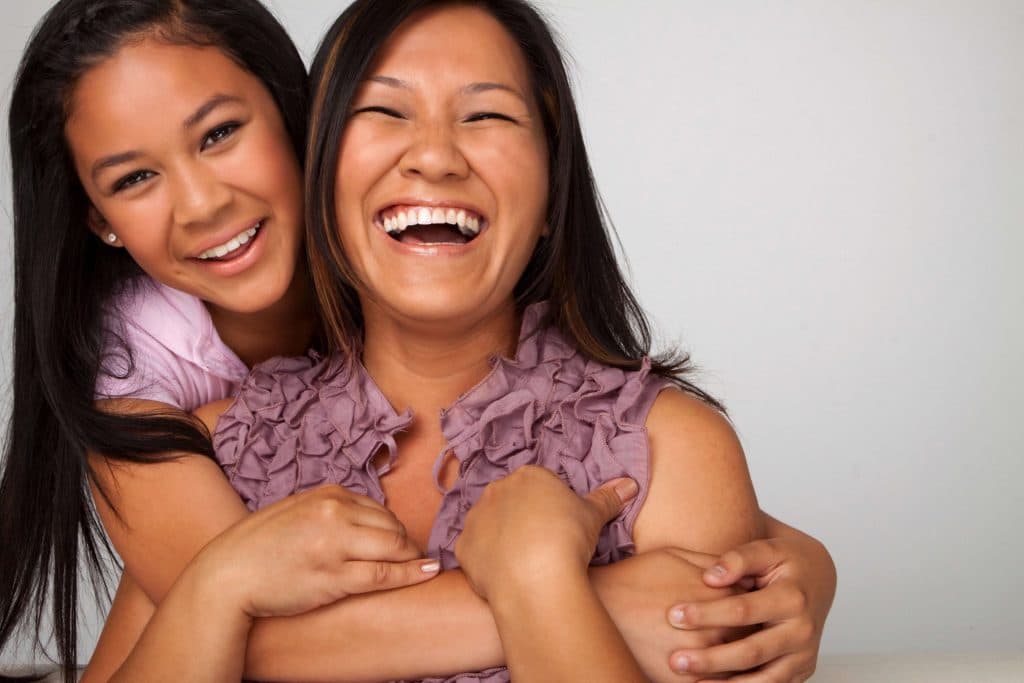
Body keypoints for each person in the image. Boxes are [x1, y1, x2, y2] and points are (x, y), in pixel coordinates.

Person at [0, 0, 835, 681]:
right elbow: (207, 617)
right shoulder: (183, 429)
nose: (432, 156)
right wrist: (546, 586)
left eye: (486, 114)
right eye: (386, 111)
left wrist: (808, 561)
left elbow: (707, 516)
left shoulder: (668, 446)